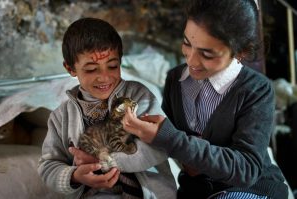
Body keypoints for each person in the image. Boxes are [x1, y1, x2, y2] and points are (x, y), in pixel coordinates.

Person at [122, 0, 289, 198]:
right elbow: (165, 145)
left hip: (249, 190)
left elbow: (247, 170)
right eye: (187, 43)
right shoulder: (175, 80)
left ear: (241, 52)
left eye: (207, 53)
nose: (191, 61)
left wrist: (169, 138)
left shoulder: (256, 90)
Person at [37, 17, 177, 199]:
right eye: (91, 69)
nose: (104, 77)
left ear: (120, 60)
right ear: (70, 68)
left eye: (112, 66)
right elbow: (49, 165)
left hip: (146, 194)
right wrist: (74, 176)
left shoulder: (137, 97)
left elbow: (160, 146)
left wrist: (105, 162)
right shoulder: (61, 117)